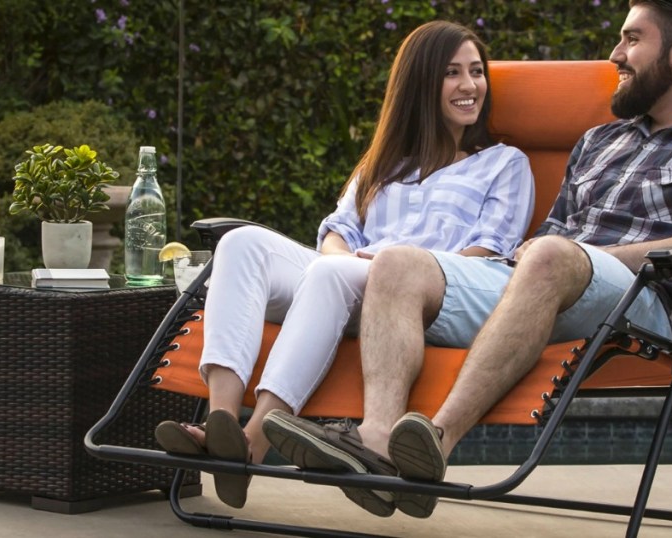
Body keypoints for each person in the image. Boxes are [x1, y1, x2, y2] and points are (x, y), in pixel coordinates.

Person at [262, 0, 672, 519]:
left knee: (552, 256)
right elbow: (551, 238)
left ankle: (435, 446)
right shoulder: (600, 141)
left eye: (632, 39)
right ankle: (377, 439)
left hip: (645, 302)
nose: (615, 54)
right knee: (398, 262)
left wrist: (591, 257)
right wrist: (540, 257)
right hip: (546, 285)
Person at [153, 20, 534, 511]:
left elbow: (487, 254)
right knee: (243, 242)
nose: (470, 86)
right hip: (343, 277)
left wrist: (384, 267)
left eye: (476, 72)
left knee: (334, 274)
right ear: (420, 84)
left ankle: (255, 439)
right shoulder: (382, 163)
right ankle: (219, 423)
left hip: (416, 292)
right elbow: (338, 232)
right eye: (452, 73)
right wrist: (342, 261)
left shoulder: (503, 163)